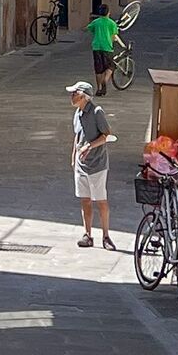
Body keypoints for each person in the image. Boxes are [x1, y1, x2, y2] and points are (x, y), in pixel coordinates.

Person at [67, 80, 117, 249]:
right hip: (81, 164)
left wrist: (90, 146)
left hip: (97, 164)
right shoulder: (77, 113)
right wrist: (74, 156)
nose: (71, 96)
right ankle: (87, 234)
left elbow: (106, 135)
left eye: (74, 94)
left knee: (101, 200)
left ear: (83, 96)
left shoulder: (97, 112)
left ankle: (106, 236)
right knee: (85, 200)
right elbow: (77, 135)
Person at [87, 3, 123, 88]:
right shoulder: (112, 23)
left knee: (98, 69)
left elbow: (89, 28)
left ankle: (99, 88)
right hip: (107, 47)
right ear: (108, 13)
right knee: (111, 66)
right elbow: (114, 36)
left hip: (96, 47)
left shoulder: (96, 22)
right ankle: (105, 81)